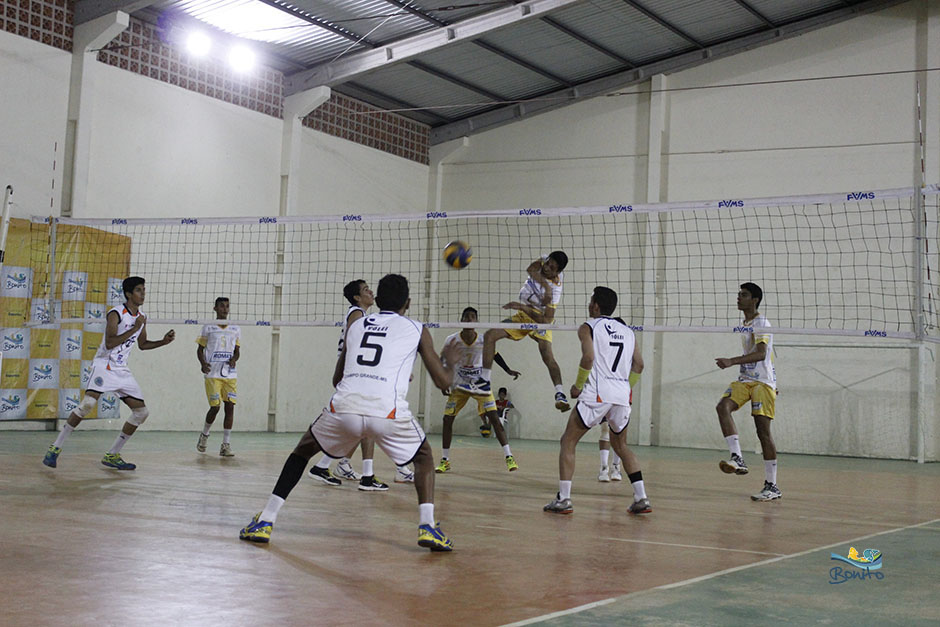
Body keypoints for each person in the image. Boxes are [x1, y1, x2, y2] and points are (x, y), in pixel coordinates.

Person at [239, 274, 460, 550]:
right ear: (409, 302)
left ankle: (266, 520)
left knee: (301, 454)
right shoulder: (417, 328)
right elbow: (443, 382)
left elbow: (337, 378)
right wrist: (449, 362)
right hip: (387, 413)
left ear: (377, 301)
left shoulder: (356, 325)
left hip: (344, 407)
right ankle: (428, 527)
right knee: (425, 458)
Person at [42, 277, 175, 470]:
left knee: (141, 412)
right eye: (139, 290)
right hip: (104, 365)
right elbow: (110, 342)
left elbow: (143, 345)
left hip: (122, 370)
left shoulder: (141, 317)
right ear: (129, 294)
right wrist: (135, 328)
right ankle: (54, 449)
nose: (143, 293)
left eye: (144, 289)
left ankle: (112, 454)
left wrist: (163, 341)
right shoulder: (116, 313)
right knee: (87, 404)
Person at [544, 286, 650, 515]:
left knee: (568, 441)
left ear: (595, 305)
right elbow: (639, 365)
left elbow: (588, 357)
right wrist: (624, 388)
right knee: (621, 446)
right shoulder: (629, 331)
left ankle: (564, 499)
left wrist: (577, 386)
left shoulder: (588, 326)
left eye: (591, 300)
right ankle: (641, 497)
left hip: (598, 393)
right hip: (622, 395)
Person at [307, 279, 393, 490]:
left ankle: (341, 468)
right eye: (365, 290)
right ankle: (360, 474)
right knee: (364, 422)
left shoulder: (363, 316)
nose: (370, 292)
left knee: (363, 424)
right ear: (357, 297)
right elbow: (351, 344)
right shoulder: (357, 313)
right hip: (354, 373)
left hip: (356, 373)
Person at [474, 251, 570, 413]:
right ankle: (485, 381)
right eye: (547, 263)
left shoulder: (555, 292)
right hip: (522, 317)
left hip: (539, 319)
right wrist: (544, 285)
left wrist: (523, 306)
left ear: (558, 273)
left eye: (552, 268)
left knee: (547, 354)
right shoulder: (544, 264)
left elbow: (546, 321)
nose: (546, 268)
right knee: (490, 336)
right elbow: (531, 269)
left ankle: (560, 394)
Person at [715, 282, 781, 501]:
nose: (738, 298)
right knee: (723, 406)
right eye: (738, 294)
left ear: (754, 300)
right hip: (745, 380)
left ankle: (772, 485)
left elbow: (762, 353)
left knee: (762, 432)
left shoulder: (761, 321)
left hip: (762, 383)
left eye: (743, 295)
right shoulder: (745, 323)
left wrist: (731, 361)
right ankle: (737, 457)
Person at [435, 307, 519, 474]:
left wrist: (508, 370)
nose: (469, 319)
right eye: (466, 317)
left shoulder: (483, 340)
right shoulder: (451, 340)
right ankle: (445, 459)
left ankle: (509, 456)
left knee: (495, 418)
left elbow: (495, 355)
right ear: (461, 320)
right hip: (459, 386)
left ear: (477, 321)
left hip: (480, 385)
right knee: (447, 420)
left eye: (473, 317)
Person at [196, 297, 240, 457]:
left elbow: (237, 350)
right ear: (215, 308)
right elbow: (200, 350)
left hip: (229, 373)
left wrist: (234, 359)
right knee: (215, 407)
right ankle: (204, 435)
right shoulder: (208, 326)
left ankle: (226, 444)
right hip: (212, 373)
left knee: (230, 406)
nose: (225, 309)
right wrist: (203, 364)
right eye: (222, 306)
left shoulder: (235, 327)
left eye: (227, 306)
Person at [477, 366, 520, 438]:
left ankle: (488, 426)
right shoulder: (496, 401)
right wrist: (496, 406)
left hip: (500, 415)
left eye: (503, 395)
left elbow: (512, 406)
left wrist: (503, 407)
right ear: (499, 395)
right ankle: (486, 424)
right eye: (500, 394)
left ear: (505, 395)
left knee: (493, 414)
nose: (501, 396)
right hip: (494, 414)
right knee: (485, 412)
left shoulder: (506, 402)